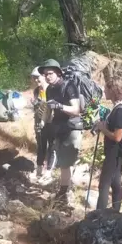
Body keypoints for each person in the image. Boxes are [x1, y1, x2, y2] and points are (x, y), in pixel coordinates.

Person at [38, 59, 82, 204]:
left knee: (67, 162)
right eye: (45, 74)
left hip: (72, 127)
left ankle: (66, 193)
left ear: (58, 72)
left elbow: (76, 110)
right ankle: (64, 191)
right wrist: (43, 122)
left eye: (50, 73)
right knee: (63, 162)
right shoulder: (49, 89)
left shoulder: (69, 86)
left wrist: (59, 106)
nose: (47, 77)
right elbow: (49, 107)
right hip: (58, 127)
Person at [94, 76, 122, 210]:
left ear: (113, 90)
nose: (104, 92)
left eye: (106, 89)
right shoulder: (117, 108)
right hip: (115, 153)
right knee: (115, 183)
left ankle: (99, 216)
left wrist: (103, 129)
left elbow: (117, 137)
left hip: (114, 153)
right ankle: (115, 213)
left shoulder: (120, 111)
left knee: (104, 185)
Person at [31, 67, 56, 182]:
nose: (36, 80)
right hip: (39, 123)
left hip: (51, 122)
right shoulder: (37, 91)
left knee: (52, 146)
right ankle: (39, 169)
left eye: (38, 77)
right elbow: (37, 108)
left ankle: (49, 171)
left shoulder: (51, 90)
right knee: (41, 146)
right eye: (34, 78)